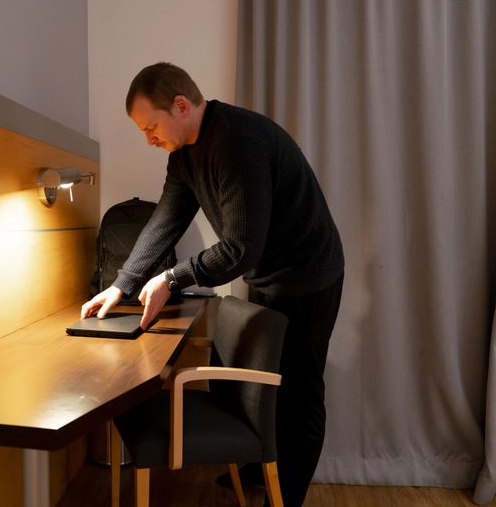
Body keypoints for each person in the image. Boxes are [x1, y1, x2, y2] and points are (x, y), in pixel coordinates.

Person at [81, 62, 344, 507]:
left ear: (181, 105)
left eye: (151, 126)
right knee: (253, 386)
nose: (148, 138)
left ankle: (286, 499)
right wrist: (122, 284)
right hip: (269, 274)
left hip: (309, 276)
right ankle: (252, 463)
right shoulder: (184, 154)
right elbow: (165, 221)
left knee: (298, 393)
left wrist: (171, 277)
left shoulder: (238, 144)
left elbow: (241, 249)